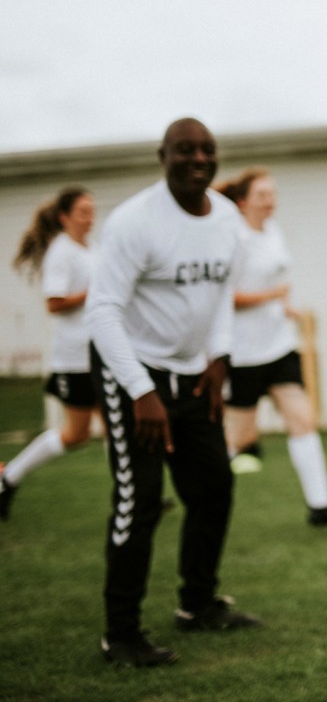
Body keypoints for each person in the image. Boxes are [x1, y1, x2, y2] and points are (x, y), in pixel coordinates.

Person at [85, 117, 261, 668]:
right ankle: (121, 634)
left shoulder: (227, 218)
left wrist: (218, 360)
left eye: (207, 149)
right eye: (184, 150)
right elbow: (102, 311)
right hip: (132, 376)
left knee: (213, 488)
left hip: (194, 377)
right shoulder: (134, 222)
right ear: (163, 156)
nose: (197, 159)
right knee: (138, 505)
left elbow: (223, 293)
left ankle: (198, 604)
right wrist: (141, 390)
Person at [214, 167, 327, 530]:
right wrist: (271, 296)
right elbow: (222, 297)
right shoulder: (233, 239)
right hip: (243, 353)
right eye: (262, 195)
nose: (270, 201)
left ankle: (320, 506)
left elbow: (275, 285)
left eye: (272, 194)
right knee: (240, 437)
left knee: (303, 421)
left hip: (279, 346)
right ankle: (202, 493)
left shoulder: (273, 232)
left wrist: (284, 307)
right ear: (243, 202)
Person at [2, 188, 97, 520]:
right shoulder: (61, 252)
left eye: (92, 211)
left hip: (99, 356)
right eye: (83, 212)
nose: (90, 218)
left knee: (123, 427)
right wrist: (93, 293)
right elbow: (54, 303)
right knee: (76, 434)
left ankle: (142, 498)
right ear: (64, 217)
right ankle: (8, 476)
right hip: (75, 359)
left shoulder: (88, 249)